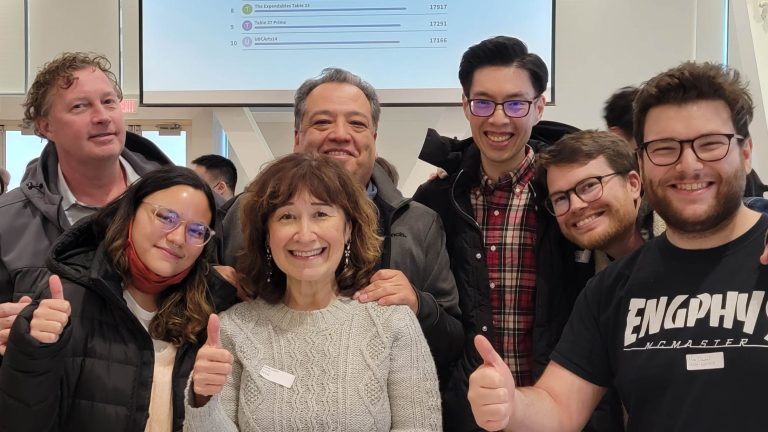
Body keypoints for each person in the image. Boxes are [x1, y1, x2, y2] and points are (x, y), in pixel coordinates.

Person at [468, 61, 768, 431]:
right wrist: (511, 404)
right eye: (664, 148)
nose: (688, 165)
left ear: (746, 151)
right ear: (641, 163)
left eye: (710, 144)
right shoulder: (611, 289)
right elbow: (559, 408)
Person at [414, 36, 613, 431]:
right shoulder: (438, 198)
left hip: (563, 409)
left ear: (539, 107)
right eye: (483, 102)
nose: (499, 119)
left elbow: (645, 233)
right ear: (466, 107)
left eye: (516, 103)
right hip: (467, 411)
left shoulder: (572, 193)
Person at [221, 68, 463, 387]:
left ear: (373, 140)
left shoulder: (420, 223)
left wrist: (420, 307)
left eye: (357, 123)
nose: (340, 134)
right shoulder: (247, 211)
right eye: (322, 122)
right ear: (297, 137)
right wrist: (213, 285)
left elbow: (452, 343)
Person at [185, 153, 441, 431]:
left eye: (320, 214)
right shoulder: (234, 329)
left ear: (347, 228)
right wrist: (202, 399)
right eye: (287, 216)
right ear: (266, 235)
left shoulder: (392, 324)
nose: (305, 234)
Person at [0, 166, 237, 432]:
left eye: (196, 231)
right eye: (166, 217)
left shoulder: (211, 312)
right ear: (132, 213)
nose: (178, 238)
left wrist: (203, 397)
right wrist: (33, 351)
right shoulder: (68, 301)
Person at [0, 52, 171, 356]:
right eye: (80, 106)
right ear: (46, 127)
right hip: (52, 397)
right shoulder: (8, 222)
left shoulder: (180, 203)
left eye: (109, 102)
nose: (102, 116)